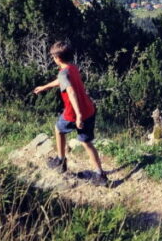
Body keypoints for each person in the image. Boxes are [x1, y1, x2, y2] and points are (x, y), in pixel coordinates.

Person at [33, 41, 108, 187]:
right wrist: (45, 87)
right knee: (86, 142)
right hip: (89, 109)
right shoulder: (72, 68)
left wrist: (78, 115)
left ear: (58, 58)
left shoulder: (63, 73)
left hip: (73, 113)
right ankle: (100, 175)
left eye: (53, 56)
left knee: (58, 129)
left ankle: (60, 161)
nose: (52, 58)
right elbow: (63, 81)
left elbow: (71, 91)